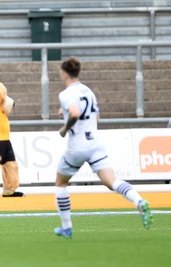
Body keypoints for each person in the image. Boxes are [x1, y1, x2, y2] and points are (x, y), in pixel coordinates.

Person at [54, 57, 153, 239]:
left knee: (60, 183)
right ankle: (139, 201)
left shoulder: (66, 94)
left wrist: (64, 129)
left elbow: (75, 113)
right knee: (112, 182)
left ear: (64, 73)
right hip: (95, 144)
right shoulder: (89, 91)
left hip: (77, 146)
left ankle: (66, 227)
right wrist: (65, 112)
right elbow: (96, 118)